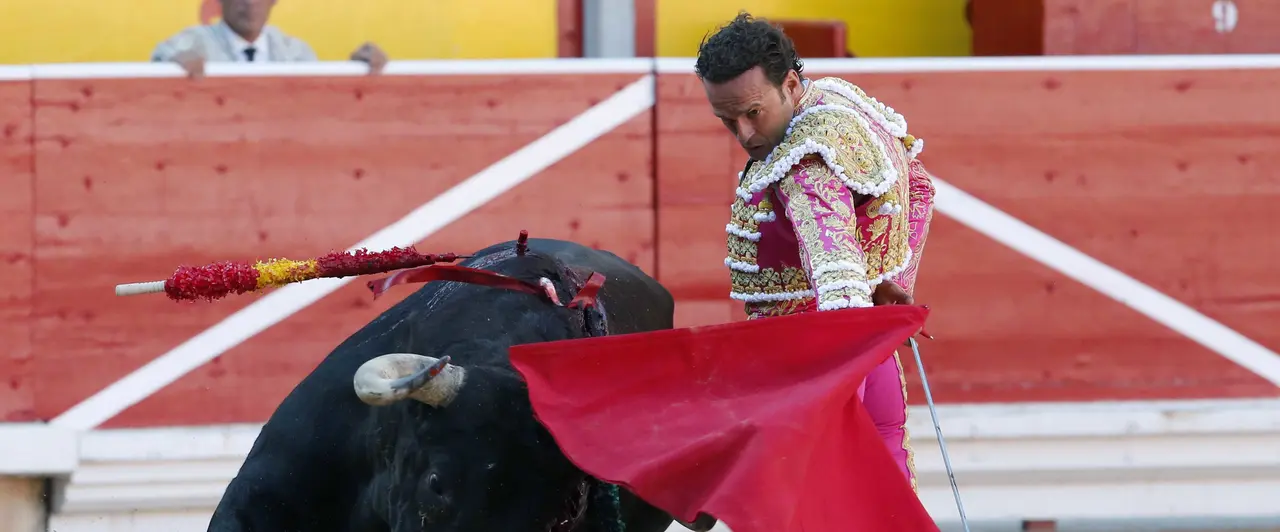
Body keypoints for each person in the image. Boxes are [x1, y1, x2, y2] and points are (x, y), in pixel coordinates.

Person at [697, 12, 936, 492]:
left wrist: (831, 396)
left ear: (788, 84)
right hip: (869, 352)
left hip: (815, 359)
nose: (744, 135)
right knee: (887, 495)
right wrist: (892, 279)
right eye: (727, 120)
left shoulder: (806, 162)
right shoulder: (835, 101)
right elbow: (919, 188)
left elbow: (838, 283)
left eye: (752, 113)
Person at [151, 0, 388, 78]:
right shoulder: (193, 42)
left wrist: (359, 71)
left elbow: (322, 108)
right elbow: (162, 60)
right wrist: (174, 68)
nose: (251, 3)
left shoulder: (296, 52)